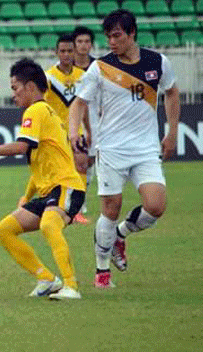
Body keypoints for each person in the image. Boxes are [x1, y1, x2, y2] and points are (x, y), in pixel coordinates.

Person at [69, 10, 181, 288]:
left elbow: (172, 92)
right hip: (111, 148)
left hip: (145, 148)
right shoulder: (100, 68)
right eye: (107, 36)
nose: (111, 41)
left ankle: (121, 234)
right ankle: (102, 270)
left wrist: (172, 132)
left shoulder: (158, 62)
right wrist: (74, 132)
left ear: (132, 34)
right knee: (111, 208)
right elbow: (78, 103)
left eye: (117, 35)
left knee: (156, 206)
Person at [0, 58, 85, 300]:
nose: (13, 95)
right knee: (4, 230)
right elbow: (38, 159)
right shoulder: (45, 112)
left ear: (30, 87)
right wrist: (26, 197)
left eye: (15, 88)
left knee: (49, 224)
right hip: (50, 192)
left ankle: (71, 286)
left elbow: (20, 147)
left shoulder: (36, 110)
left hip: (66, 187)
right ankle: (47, 279)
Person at [43, 33, 89, 225]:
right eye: (62, 51)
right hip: (55, 133)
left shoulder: (83, 76)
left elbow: (84, 106)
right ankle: (54, 205)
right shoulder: (48, 77)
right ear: (56, 52)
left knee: (81, 166)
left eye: (70, 50)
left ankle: (78, 209)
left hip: (76, 131)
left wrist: (89, 130)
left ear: (75, 51)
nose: (66, 54)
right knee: (57, 171)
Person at [72, 26, 99, 220]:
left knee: (90, 161)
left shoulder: (99, 67)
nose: (83, 45)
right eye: (80, 41)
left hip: (97, 119)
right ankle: (76, 203)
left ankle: (81, 200)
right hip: (74, 121)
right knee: (76, 162)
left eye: (87, 41)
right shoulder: (66, 68)